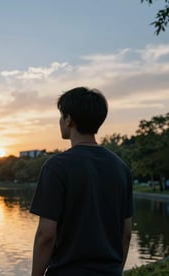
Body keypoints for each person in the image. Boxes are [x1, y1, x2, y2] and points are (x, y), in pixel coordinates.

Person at [30, 87, 133, 275]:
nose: (60, 121)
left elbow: (46, 235)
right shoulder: (121, 168)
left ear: (69, 120)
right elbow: (126, 233)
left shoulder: (56, 167)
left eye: (61, 116)